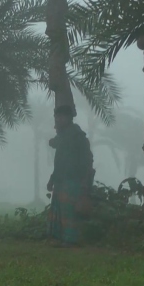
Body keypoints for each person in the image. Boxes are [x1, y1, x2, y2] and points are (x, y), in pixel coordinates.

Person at [47, 105, 95, 247]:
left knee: (70, 212)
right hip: (61, 179)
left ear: (69, 118)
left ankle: (71, 240)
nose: (58, 120)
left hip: (74, 179)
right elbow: (60, 161)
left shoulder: (77, 136)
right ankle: (61, 238)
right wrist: (52, 179)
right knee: (60, 211)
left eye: (61, 117)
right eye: (57, 117)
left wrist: (85, 181)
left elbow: (88, 160)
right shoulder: (63, 136)